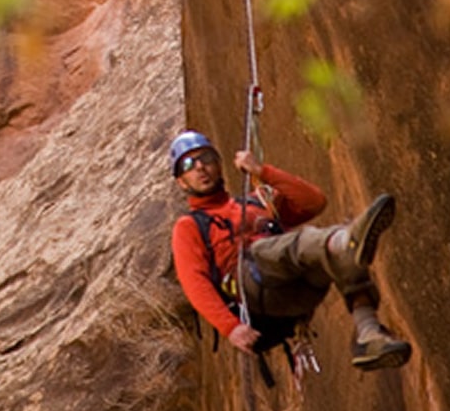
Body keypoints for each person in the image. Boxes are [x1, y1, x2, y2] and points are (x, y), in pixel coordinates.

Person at [168, 129, 412, 371]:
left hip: (296, 290)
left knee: (341, 258)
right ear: (181, 181)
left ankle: (369, 335)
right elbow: (194, 283)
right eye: (189, 164)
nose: (200, 166)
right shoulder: (189, 227)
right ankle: (345, 240)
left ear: (219, 165)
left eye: (207, 158)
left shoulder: (255, 201)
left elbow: (314, 201)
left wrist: (262, 172)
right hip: (254, 287)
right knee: (298, 244)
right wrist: (230, 327)